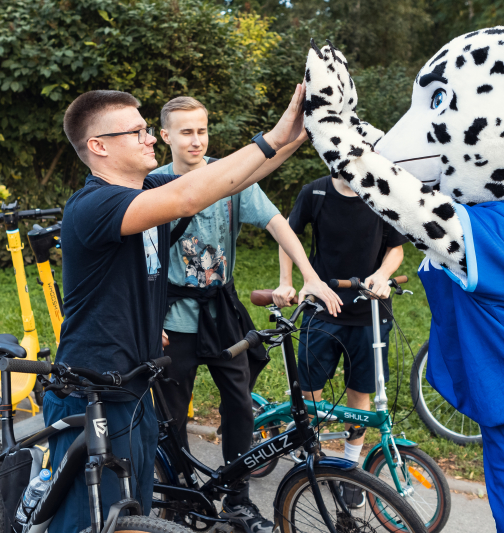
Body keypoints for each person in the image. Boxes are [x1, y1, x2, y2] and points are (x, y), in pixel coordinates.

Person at [47, 86, 306, 533]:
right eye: (138, 130)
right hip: (94, 392)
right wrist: (272, 135)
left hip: (135, 384)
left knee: (134, 517)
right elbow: (188, 200)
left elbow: (231, 179)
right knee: (93, 525)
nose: (150, 138)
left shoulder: (145, 188)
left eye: (147, 129)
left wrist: (295, 137)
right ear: (99, 146)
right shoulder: (95, 205)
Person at [154, 96, 342, 533]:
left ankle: (237, 500)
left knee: (239, 405)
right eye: (185, 132)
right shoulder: (151, 184)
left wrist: (310, 275)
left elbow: (278, 222)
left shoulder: (229, 177)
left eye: (202, 130)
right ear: (165, 136)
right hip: (171, 319)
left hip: (222, 313)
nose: (196, 140)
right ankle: (182, 498)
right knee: (172, 415)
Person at [272, 173, 407, 507]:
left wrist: (381, 275)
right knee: (310, 389)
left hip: (369, 311)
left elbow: (396, 249)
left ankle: (350, 468)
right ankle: (311, 456)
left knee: (360, 393)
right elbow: (286, 234)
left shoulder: (381, 193)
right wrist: (288, 281)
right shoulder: (314, 191)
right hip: (321, 306)